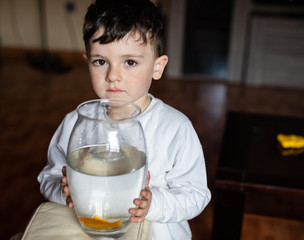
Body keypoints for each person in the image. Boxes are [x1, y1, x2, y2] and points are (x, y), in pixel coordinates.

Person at [37, 0, 211, 239]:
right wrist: (63, 191)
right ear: (87, 62)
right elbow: (49, 177)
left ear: (157, 67)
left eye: (130, 62)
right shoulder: (74, 124)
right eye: (101, 62)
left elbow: (196, 195)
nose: (113, 76)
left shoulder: (175, 128)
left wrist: (154, 203)